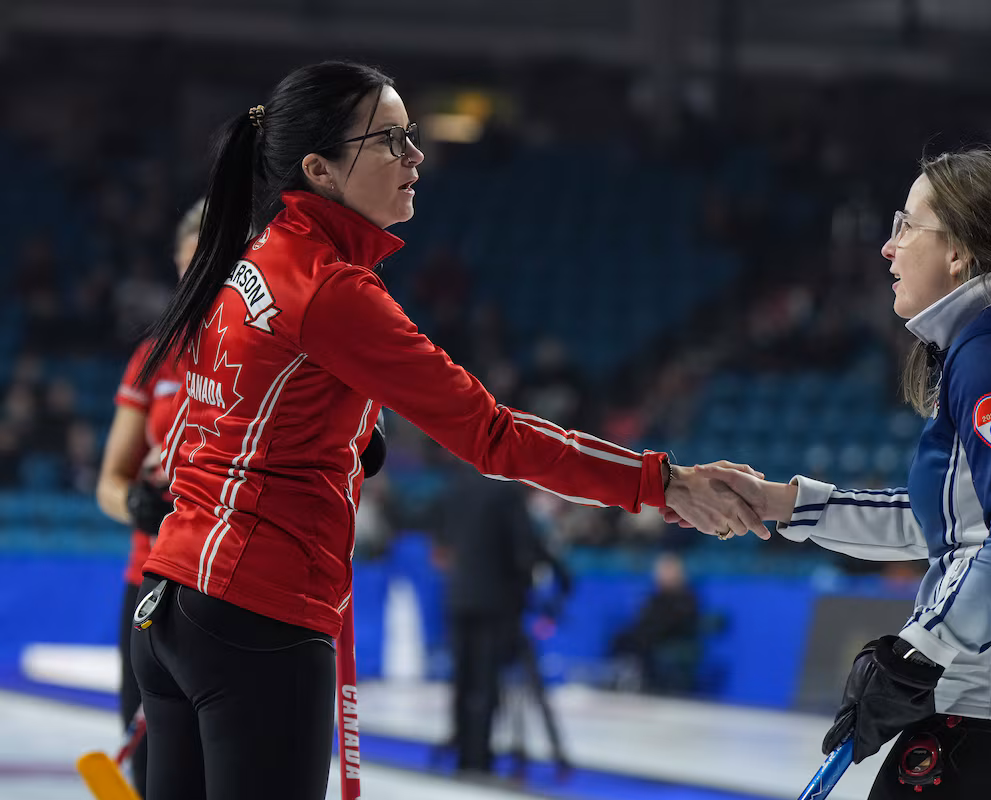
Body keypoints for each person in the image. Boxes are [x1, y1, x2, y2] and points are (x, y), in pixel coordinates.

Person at [128, 60, 766, 800]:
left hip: (178, 604)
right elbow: (491, 435)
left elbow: (229, 419)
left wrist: (345, 441)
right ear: (320, 170)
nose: (415, 157)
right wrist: (664, 481)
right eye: (390, 140)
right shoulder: (332, 290)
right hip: (257, 615)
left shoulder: (249, 264)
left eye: (412, 136)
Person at [685, 150, 991, 799]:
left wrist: (916, 654)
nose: (888, 248)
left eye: (906, 224)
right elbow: (961, 528)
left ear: (958, 251)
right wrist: (783, 503)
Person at [95, 199, 203, 797]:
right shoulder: (155, 355)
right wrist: (138, 504)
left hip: (229, 582)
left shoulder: (271, 347)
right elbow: (109, 483)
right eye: (192, 266)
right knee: (149, 761)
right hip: (152, 579)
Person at [435, 463, 571, 774]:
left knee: (464, 678)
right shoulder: (507, 492)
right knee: (485, 681)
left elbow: (444, 542)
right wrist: (542, 581)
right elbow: (522, 549)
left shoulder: (457, 486)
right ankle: (478, 759)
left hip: (458, 599)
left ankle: (464, 752)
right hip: (495, 603)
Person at [609, 551, 701, 693]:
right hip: (651, 633)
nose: (662, 574)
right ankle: (623, 675)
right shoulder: (656, 596)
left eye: (667, 570)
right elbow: (645, 616)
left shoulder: (686, 596)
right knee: (622, 638)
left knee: (645, 642)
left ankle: (646, 682)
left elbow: (682, 621)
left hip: (673, 636)